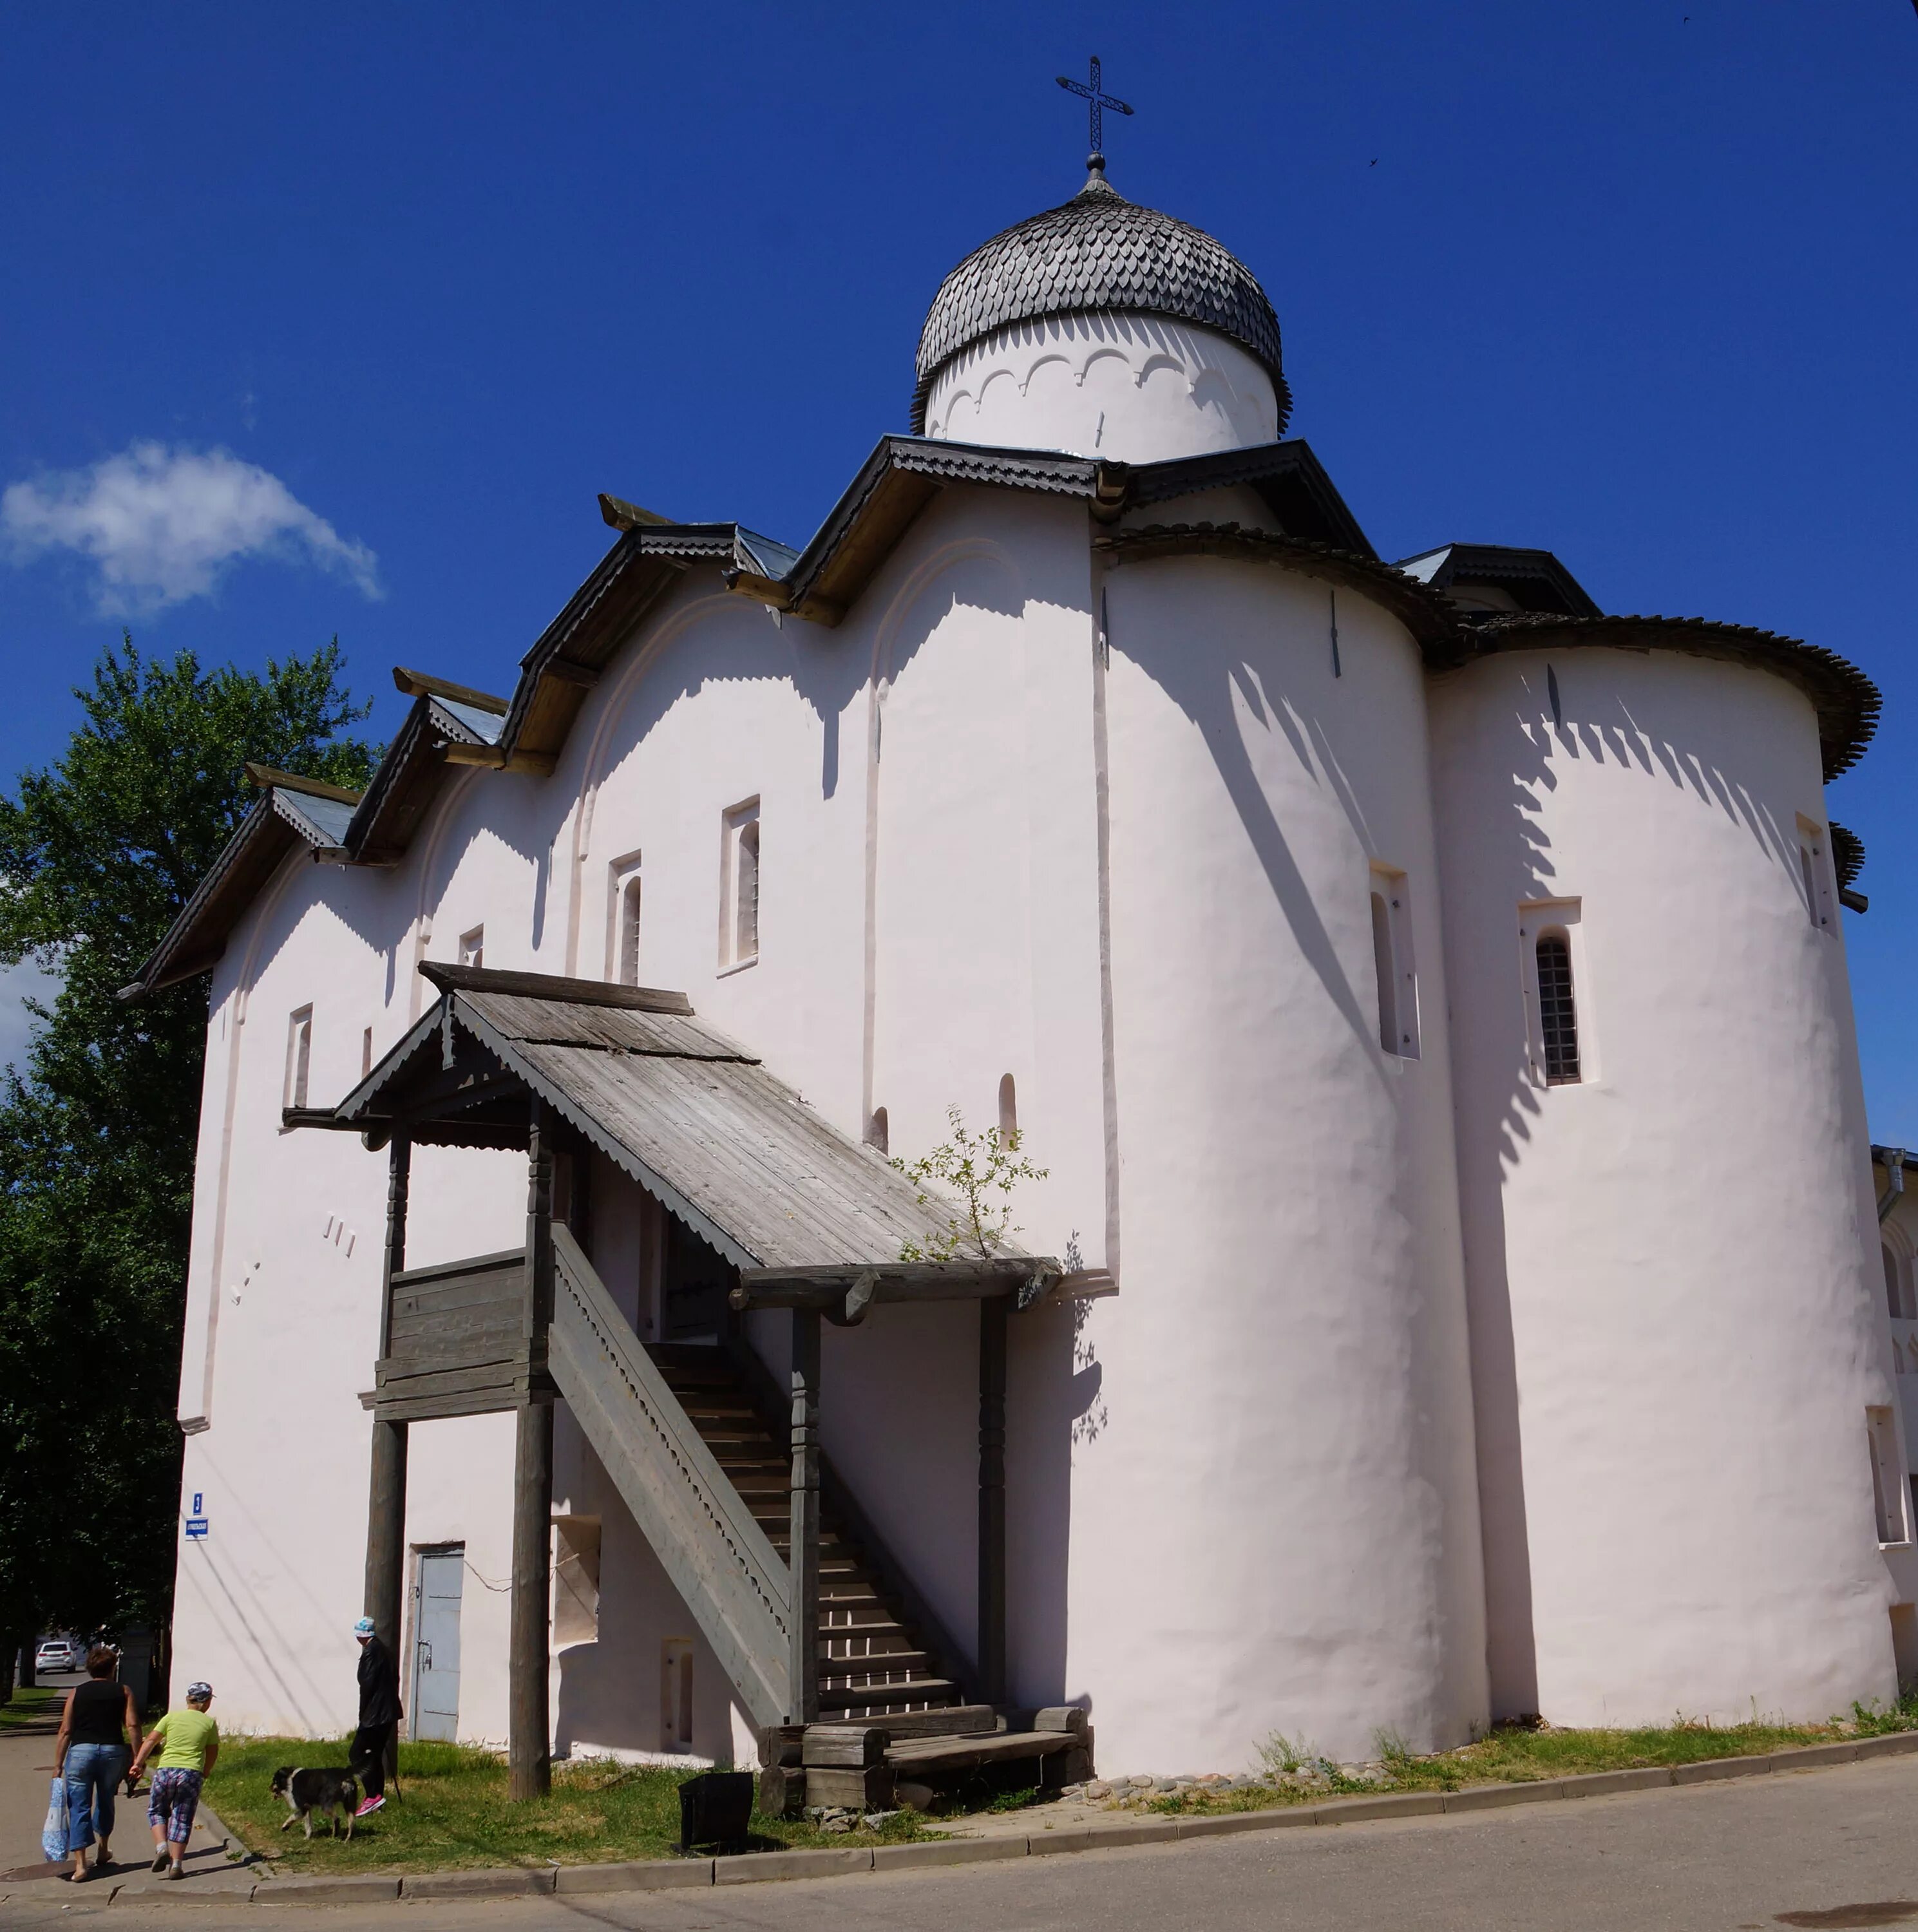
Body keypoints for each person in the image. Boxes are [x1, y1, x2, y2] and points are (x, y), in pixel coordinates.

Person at [52, 1645, 141, 1882]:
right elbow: (132, 1725)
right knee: (105, 1799)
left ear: (90, 1669)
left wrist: (58, 1764)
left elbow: (66, 1730)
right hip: (112, 1751)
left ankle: (81, 1865)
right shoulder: (123, 1690)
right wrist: (137, 1757)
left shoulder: (76, 1693)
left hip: (81, 1752)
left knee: (79, 1805)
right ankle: (103, 1849)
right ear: (113, 1668)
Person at [128, 1681, 218, 1879]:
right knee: (182, 1818)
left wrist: (138, 1763)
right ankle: (176, 1864)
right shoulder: (209, 1723)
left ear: (189, 1699)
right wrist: (206, 1770)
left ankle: (161, 1848)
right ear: (206, 1702)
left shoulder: (171, 1717)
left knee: (157, 1810)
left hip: (165, 1771)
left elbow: (151, 1739)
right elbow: (212, 1751)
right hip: (191, 1773)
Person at [350, 1616, 401, 1817]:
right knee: (374, 1755)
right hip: (387, 1712)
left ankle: (372, 1795)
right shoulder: (384, 1650)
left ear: (362, 1636)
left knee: (356, 1754)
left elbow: (367, 1685)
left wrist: (363, 1713)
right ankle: (376, 1799)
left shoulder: (371, 1652)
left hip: (375, 1714)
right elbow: (395, 1678)